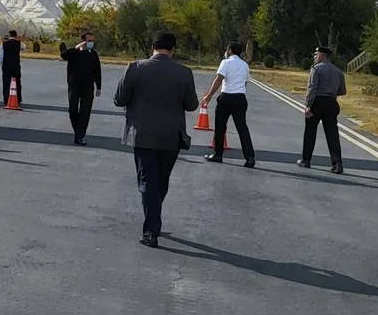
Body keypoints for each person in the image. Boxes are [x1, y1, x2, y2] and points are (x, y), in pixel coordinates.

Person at [113, 31, 199, 247]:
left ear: (152, 47)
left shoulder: (136, 68)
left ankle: (151, 230)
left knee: (147, 181)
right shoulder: (184, 73)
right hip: (171, 136)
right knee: (161, 181)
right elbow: (191, 105)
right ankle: (154, 218)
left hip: (143, 134)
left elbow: (119, 99)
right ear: (173, 50)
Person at [201, 42, 255, 167]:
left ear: (230, 50)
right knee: (242, 128)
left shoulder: (225, 62)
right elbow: (245, 82)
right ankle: (250, 157)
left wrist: (209, 95)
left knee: (220, 127)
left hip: (226, 97)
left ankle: (218, 154)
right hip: (240, 98)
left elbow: (219, 79)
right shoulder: (245, 65)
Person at [299, 46, 347, 173]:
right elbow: (343, 91)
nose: (314, 57)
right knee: (332, 135)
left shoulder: (316, 69)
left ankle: (306, 160)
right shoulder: (338, 72)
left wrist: (308, 105)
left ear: (322, 56)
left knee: (310, 132)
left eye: (316, 54)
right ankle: (337, 164)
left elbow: (312, 88)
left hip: (317, 102)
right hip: (331, 103)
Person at [59, 31, 102, 145]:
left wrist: (98, 86)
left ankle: (80, 136)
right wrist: (76, 47)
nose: (91, 43)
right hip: (74, 86)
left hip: (88, 87)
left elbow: (97, 71)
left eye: (92, 41)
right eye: (89, 40)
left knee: (85, 112)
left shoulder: (93, 54)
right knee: (72, 110)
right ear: (83, 41)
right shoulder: (74, 53)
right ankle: (78, 131)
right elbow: (64, 55)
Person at [0, 30, 22, 105]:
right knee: (17, 82)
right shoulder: (19, 43)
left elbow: (0, 56)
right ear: (16, 35)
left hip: (6, 65)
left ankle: (6, 99)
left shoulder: (4, 44)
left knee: (6, 82)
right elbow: (24, 47)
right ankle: (18, 99)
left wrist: (2, 65)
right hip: (16, 65)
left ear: (9, 35)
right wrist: (19, 40)